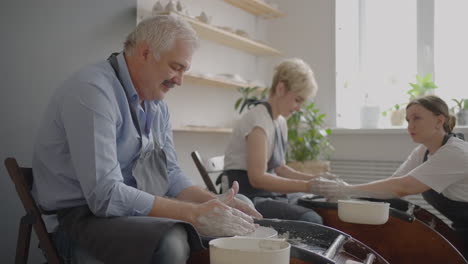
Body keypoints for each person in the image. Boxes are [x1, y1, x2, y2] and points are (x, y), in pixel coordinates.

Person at [32, 15, 261, 264]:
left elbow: (171, 174)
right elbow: (105, 196)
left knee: (240, 205)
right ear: (145, 53)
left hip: (126, 215)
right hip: (78, 220)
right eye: (176, 67)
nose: (180, 81)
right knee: (170, 240)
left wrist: (216, 202)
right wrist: (194, 214)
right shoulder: (92, 92)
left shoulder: (156, 105)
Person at [311, 95, 468, 255]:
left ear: (439, 121)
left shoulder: (454, 152)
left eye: (417, 118)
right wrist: (346, 196)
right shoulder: (423, 151)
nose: (410, 126)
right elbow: (392, 185)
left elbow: (402, 188)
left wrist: (345, 189)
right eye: (408, 120)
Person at [222, 58, 335, 224]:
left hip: (265, 194)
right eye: (297, 100)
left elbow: (280, 168)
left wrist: (315, 179)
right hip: (248, 197)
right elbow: (257, 178)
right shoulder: (258, 122)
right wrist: (308, 186)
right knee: (311, 218)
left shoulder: (280, 121)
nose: (299, 108)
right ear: (281, 88)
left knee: (316, 204)